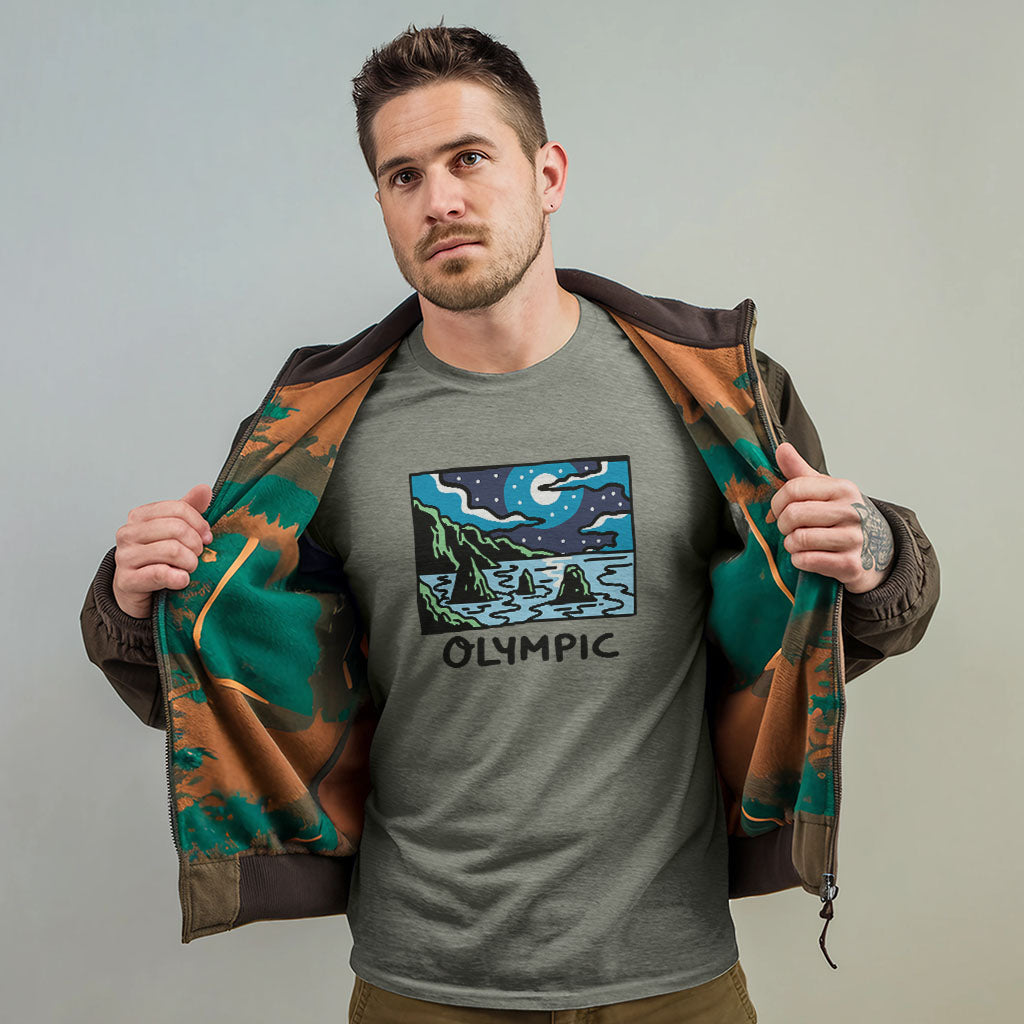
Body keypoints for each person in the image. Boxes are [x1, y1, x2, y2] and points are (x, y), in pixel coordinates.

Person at [80, 22, 940, 1024]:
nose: (439, 199)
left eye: (469, 158)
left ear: (547, 174)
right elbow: (219, 685)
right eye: (403, 176)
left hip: (673, 975)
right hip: (422, 982)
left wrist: (877, 550)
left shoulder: (716, 392)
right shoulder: (312, 432)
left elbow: (829, 631)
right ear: (381, 204)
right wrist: (133, 600)